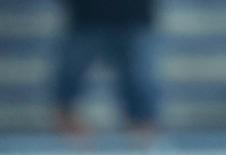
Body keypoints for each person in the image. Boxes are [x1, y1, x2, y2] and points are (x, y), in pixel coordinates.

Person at [53, 0, 158, 140]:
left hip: (132, 16)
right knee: (70, 75)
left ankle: (142, 131)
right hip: (86, 17)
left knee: (139, 79)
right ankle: (67, 127)